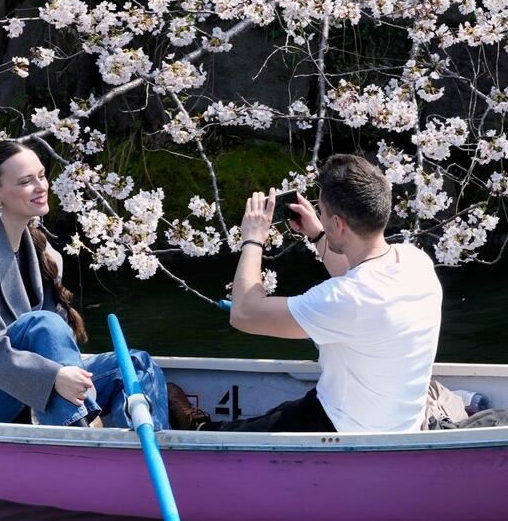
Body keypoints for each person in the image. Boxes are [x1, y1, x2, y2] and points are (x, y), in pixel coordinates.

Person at [168, 153, 443, 433]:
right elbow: (357, 279)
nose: (319, 217)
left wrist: (252, 239)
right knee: (281, 413)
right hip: (395, 420)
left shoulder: (344, 299)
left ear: (339, 223)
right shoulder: (415, 261)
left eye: (322, 213)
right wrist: (318, 235)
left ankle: (200, 429)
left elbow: (243, 314)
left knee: (228, 436)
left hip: (347, 428)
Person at [0, 140, 171, 429]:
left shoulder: (40, 250)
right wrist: (53, 377)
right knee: (43, 324)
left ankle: (141, 449)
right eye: (26, 181)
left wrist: (61, 375)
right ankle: (85, 439)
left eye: (41, 176)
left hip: (21, 381)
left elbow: (55, 345)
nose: (41, 186)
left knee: (136, 366)